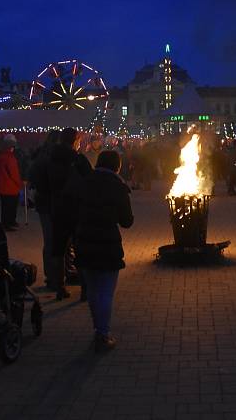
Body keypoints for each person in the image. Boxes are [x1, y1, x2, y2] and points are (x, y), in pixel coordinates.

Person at [74, 150, 134, 353]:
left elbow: (70, 210)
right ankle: (102, 332)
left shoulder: (83, 181)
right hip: (107, 243)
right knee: (106, 291)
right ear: (117, 166)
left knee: (92, 289)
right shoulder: (117, 186)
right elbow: (127, 221)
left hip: (84, 241)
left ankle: (97, 328)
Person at [47, 128, 93, 300]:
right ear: (74, 141)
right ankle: (84, 289)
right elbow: (90, 180)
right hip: (76, 208)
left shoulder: (50, 159)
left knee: (59, 250)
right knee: (80, 248)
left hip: (58, 208)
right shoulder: (78, 159)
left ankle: (59, 287)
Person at [28, 130, 60, 291]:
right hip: (52, 203)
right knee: (54, 241)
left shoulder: (40, 156)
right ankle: (55, 277)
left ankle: (52, 276)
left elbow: (32, 178)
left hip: (44, 203)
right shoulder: (52, 158)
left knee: (50, 241)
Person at [0, 134, 23, 231]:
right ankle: (9, 223)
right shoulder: (10, 158)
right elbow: (14, 173)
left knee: (5, 206)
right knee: (11, 206)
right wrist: (19, 184)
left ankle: (6, 222)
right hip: (11, 187)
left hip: (2, 186)